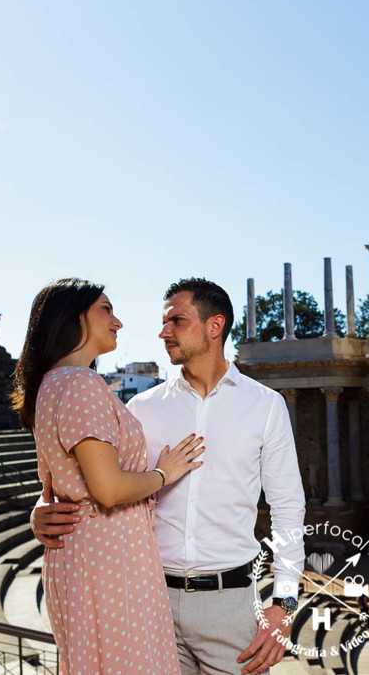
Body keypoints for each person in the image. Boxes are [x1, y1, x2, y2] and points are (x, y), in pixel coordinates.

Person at [32, 278, 306, 675]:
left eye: (176, 321)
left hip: (228, 605)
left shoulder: (265, 406)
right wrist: (42, 507)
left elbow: (287, 506)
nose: (163, 332)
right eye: (163, 322)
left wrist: (285, 604)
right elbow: (91, 473)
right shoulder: (139, 408)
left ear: (215, 326)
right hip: (143, 597)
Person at [10, 279, 206, 674]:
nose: (117, 321)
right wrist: (163, 474)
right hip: (108, 564)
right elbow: (109, 489)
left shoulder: (54, 383)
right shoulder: (80, 384)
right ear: (73, 316)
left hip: (90, 557)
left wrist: (39, 511)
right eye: (105, 309)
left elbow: (54, 482)